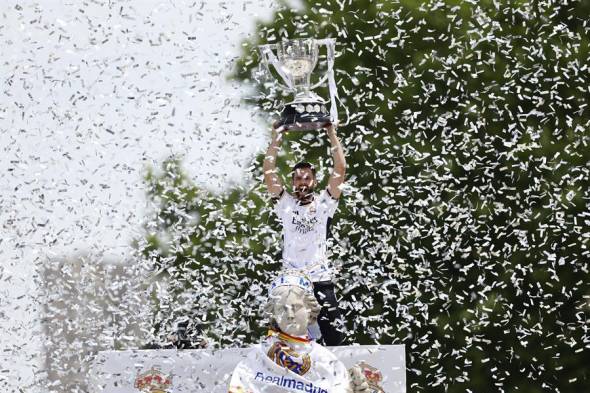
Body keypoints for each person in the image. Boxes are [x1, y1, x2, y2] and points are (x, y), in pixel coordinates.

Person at [262, 123, 346, 346]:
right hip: (292, 281)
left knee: (335, 338)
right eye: (298, 178)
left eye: (307, 178)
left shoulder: (324, 204)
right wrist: (277, 138)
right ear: (292, 182)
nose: (302, 182)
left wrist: (331, 133)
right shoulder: (285, 204)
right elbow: (268, 172)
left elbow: (340, 170)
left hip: (320, 278)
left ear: (314, 182)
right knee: (283, 338)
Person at [228, 273, 368, 393]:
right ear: (273, 314)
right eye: (282, 309)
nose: (290, 315)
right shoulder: (257, 357)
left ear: (310, 310)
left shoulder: (328, 362)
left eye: (296, 307)